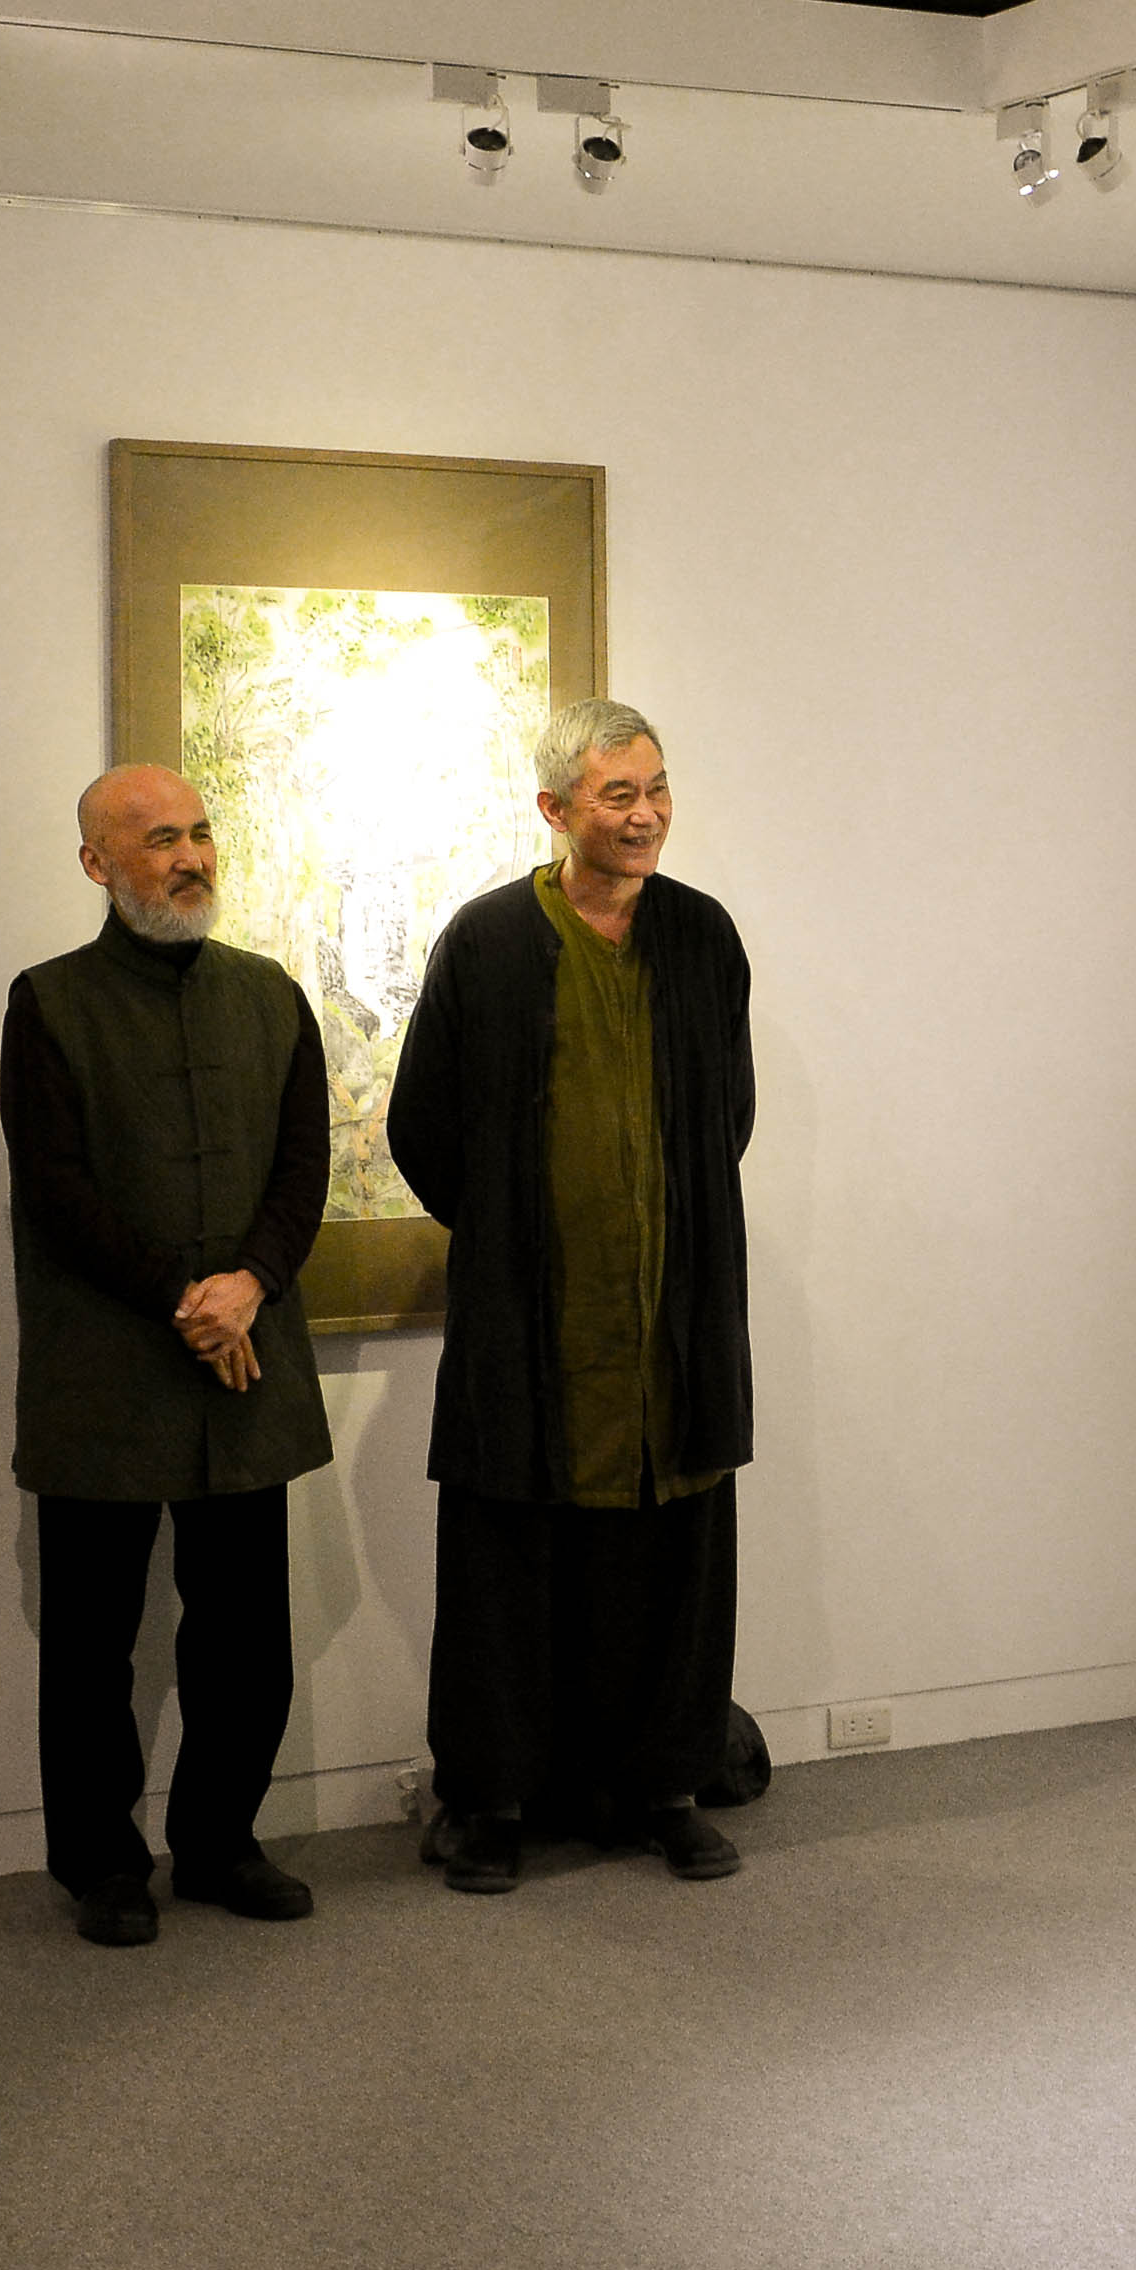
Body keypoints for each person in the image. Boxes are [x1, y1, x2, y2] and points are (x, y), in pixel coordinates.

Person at [390, 698, 755, 1895]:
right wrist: (517, 1235)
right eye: (618, 794)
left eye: (656, 787)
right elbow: (422, 1125)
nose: (646, 814)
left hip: (672, 1323)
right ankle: (490, 1801)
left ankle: (666, 1788)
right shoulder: (490, 940)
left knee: (671, 1564)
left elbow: (727, 1116)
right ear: (555, 808)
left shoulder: (701, 937)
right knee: (509, 1567)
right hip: (529, 1325)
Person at [2, 763, 332, 1946]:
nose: (188, 856)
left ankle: (219, 1842)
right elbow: (56, 1190)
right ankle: (100, 1862)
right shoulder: (49, 1002)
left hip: (246, 1359)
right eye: (156, 839)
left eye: (198, 832)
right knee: (92, 1643)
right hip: (105, 1368)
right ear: (97, 863)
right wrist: (185, 1298)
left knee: (245, 1634)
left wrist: (249, 1283)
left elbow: (303, 1166)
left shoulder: (271, 995)